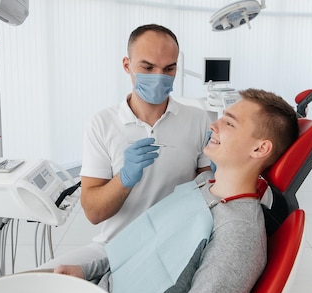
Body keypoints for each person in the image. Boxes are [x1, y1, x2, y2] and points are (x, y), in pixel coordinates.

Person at [54, 88, 300, 293]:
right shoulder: (202, 183)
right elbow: (136, 246)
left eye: (228, 122)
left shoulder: (238, 233)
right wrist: (85, 273)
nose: (213, 125)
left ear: (260, 148)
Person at [41, 24, 211, 268]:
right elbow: (94, 213)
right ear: (126, 65)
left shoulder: (197, 119)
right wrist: (124, 179)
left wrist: (217, 173)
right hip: (114, 246)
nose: (159, 76)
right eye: (148, 67)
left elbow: (208, 192)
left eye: (169, 68)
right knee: (43, 278)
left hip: (176, 243)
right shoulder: (102, 124)